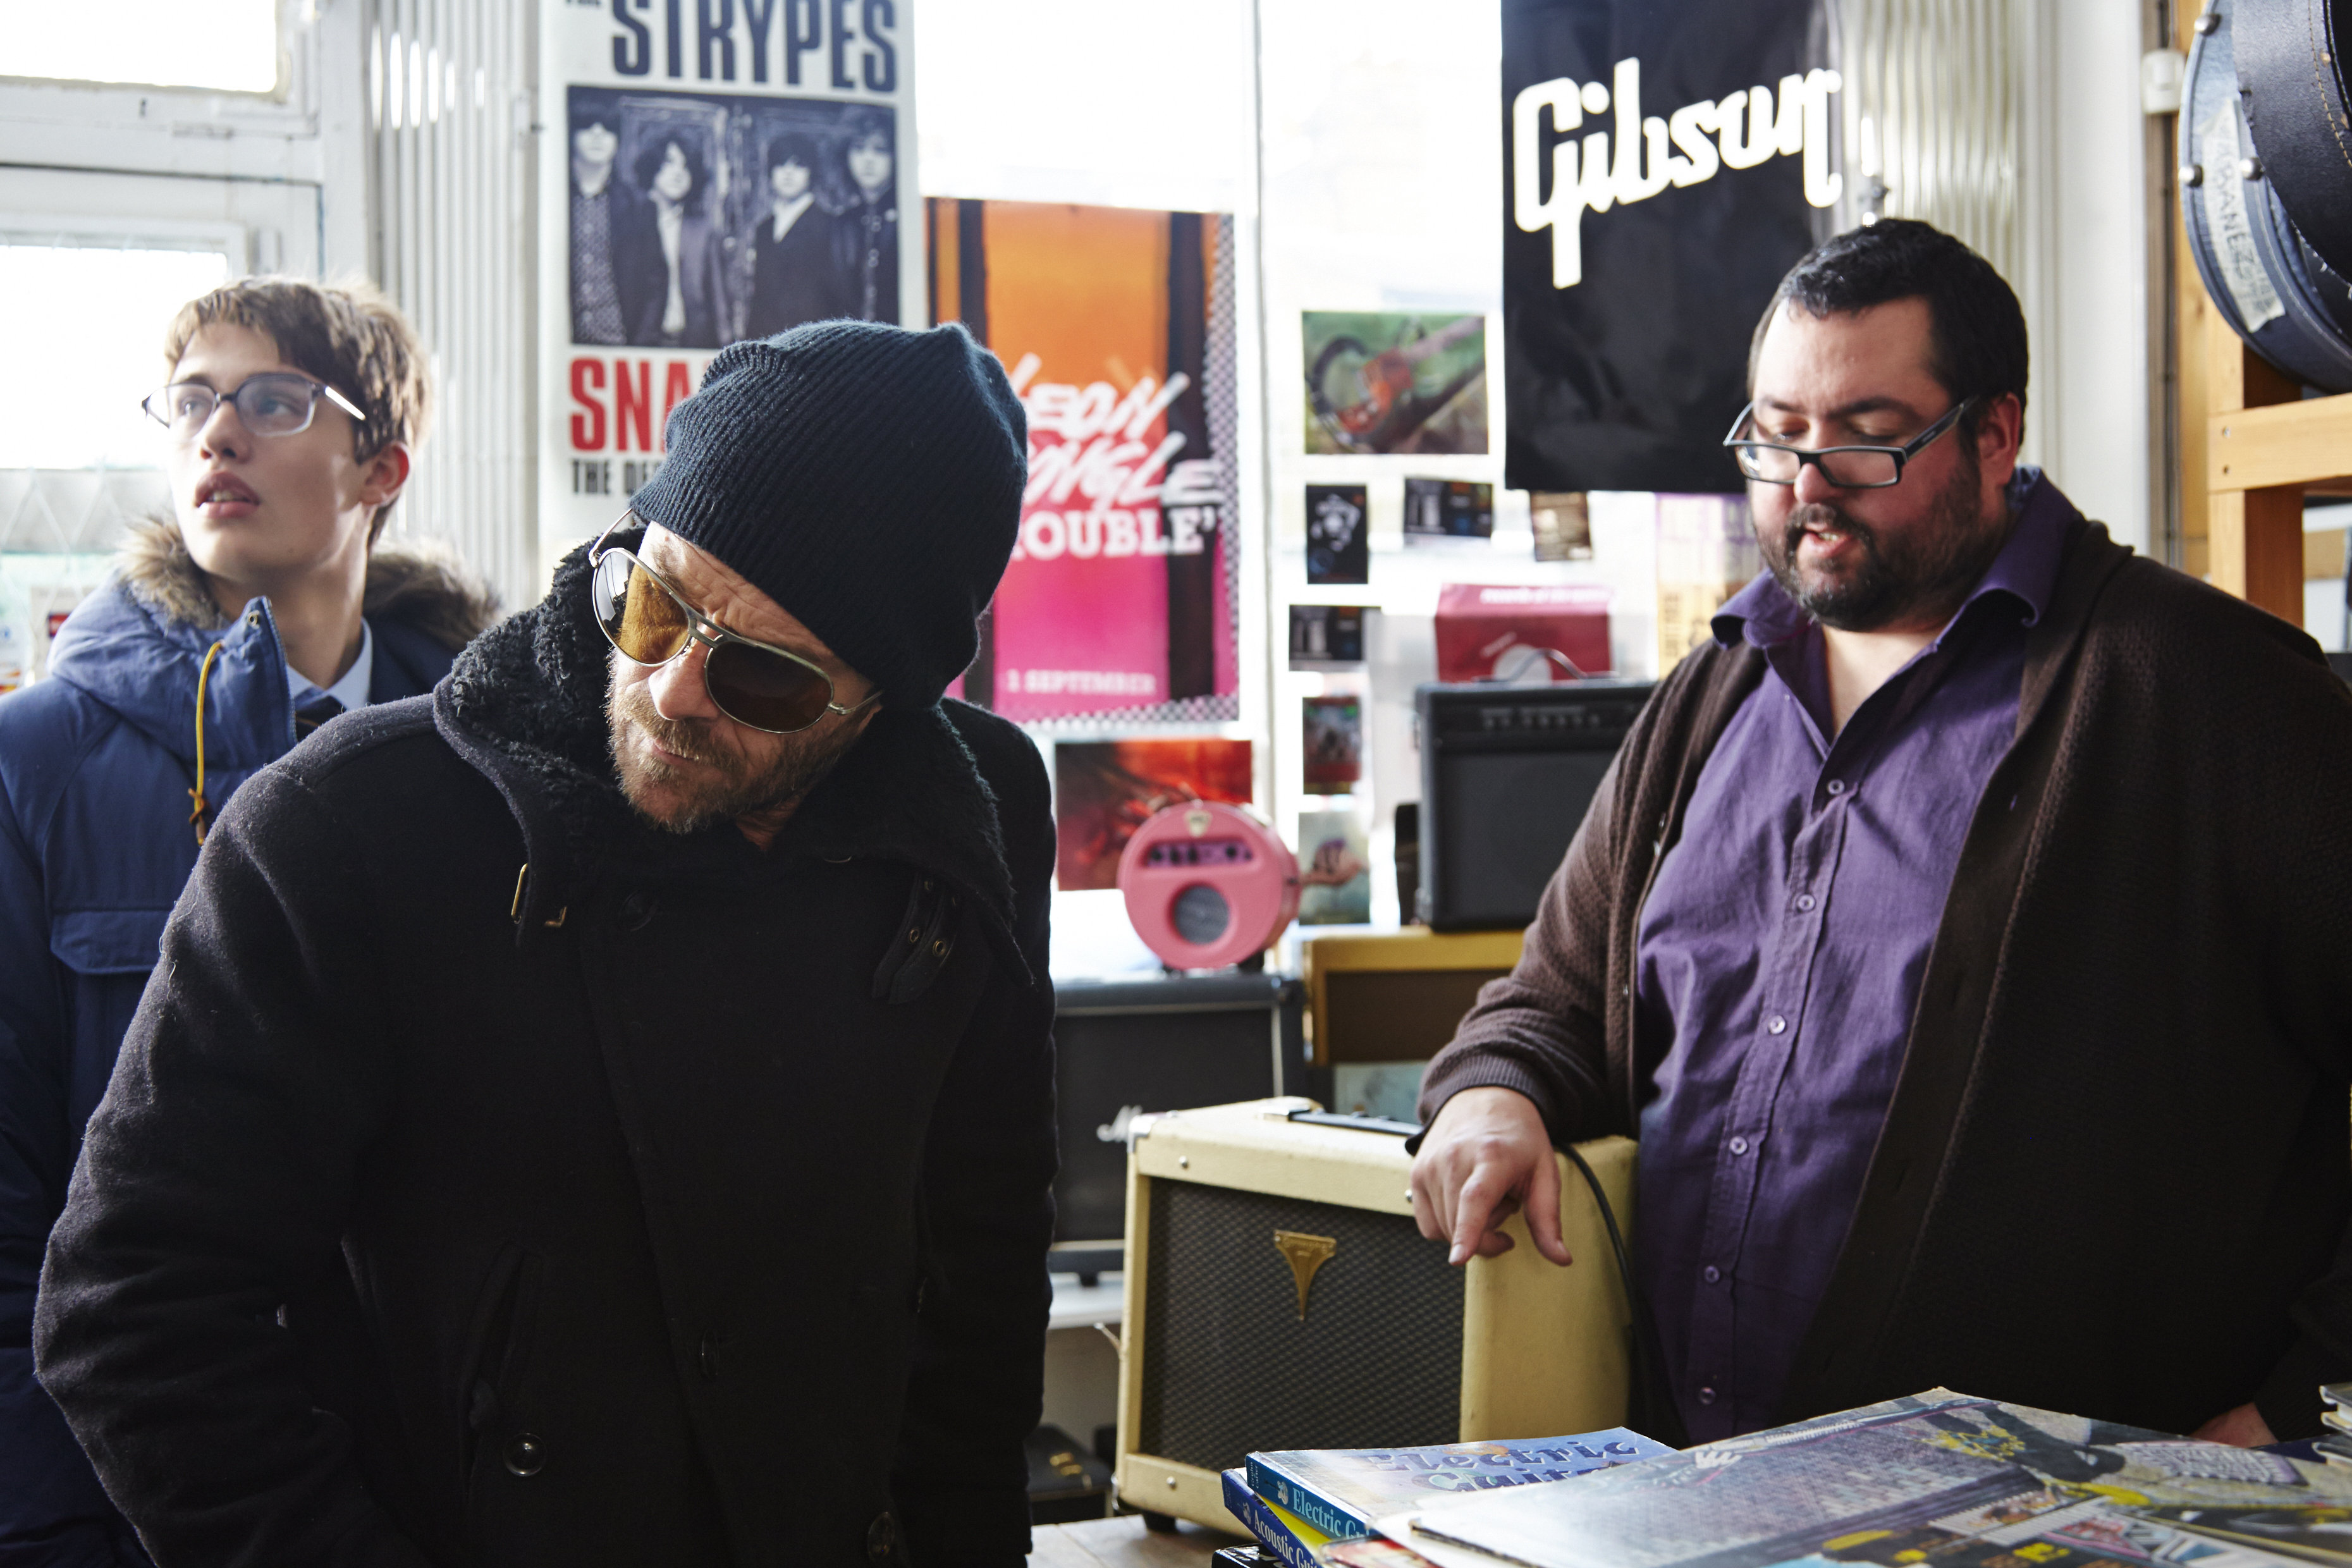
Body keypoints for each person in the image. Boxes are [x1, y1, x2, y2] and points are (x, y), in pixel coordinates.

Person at [35, 320, 1053, 1568]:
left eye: (766, 679)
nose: (675, 687)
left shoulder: (976, 813)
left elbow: (983, 1265)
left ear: (886, 703)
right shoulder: (349, 824)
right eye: (651, 601)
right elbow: (132, 1310)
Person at [1408, 219, 2352, 1447]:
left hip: (2064, 1525)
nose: (1806, 486)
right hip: (1686, 1503)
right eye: (1778, 435)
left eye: (1864, 437)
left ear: (1996, 433)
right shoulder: (1712, 698)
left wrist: (2298, 1402)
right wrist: (1491, 1098)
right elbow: (1550, 1008)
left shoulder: (2203, 689)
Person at [0, 276, 494, 1563]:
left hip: (432, 1484)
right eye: (194, 402)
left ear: (380, 463)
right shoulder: (34, 761)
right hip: (130, 1490)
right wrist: (55, 1523)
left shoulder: (497, 761)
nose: (218, 434)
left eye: (273, 400)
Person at [628, 134, 730, 348]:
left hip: (693, 343)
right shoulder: (630, 223)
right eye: (669, 163)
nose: (678, 173)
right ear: (652, 168)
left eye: (686, 167)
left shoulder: (704, 230)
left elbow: (719, 301)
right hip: (639, 343)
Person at [744, 132, 848, 337]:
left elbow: (841, 297)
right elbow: (759, 297)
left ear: (811, 172)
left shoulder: (830, 226)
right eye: (781, 165)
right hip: (767, 342)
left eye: (798, 166)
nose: (788, 174)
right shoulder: (764, 228)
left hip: (812, 344)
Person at [567, 100, 646, 346]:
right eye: (587, 126)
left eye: (608, 128)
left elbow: (654, 279)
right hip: (564, 339)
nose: (598, 134)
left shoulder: (636, 204)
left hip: (618, 340)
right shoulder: (554, 198)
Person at [838, 110, 900, 323]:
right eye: (859, 149)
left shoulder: (906, 221)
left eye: (880, 150)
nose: (868, 160)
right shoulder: (843, 223)